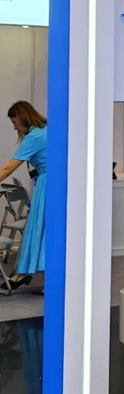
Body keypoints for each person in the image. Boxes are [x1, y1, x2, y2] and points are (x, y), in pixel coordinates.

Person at [0, 101, 47, 294]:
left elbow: (8, 168)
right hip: (55, 182)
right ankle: (28, 274)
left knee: (40, 229)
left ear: (23, 117)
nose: (14, 127)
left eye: (14, 122)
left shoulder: (34, 136)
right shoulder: (46, 130)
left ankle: (23, 274)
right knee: (45, 231)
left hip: (48, 184)